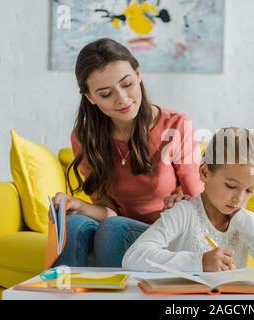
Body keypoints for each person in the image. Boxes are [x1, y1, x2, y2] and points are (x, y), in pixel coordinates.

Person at [52, 38, 203, 267]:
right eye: (105, 94)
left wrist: (183, 204)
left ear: (138, 74)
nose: (122, 99)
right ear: (90, 97)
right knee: (72, 223)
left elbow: (203, 205)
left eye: (127, 84)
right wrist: (78, 207)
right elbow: (109, 213)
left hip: (166, 235)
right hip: (117, 229)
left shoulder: (176, 125)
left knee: (113, 228)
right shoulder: (85, 137)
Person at [122, 128, 254, 272]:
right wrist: (199, 262)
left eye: (249, 190)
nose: (239, 198)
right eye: (230, 186)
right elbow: (134, 256)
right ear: (205, 172)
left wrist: (243, 220)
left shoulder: (246, 221)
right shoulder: (184, 212)